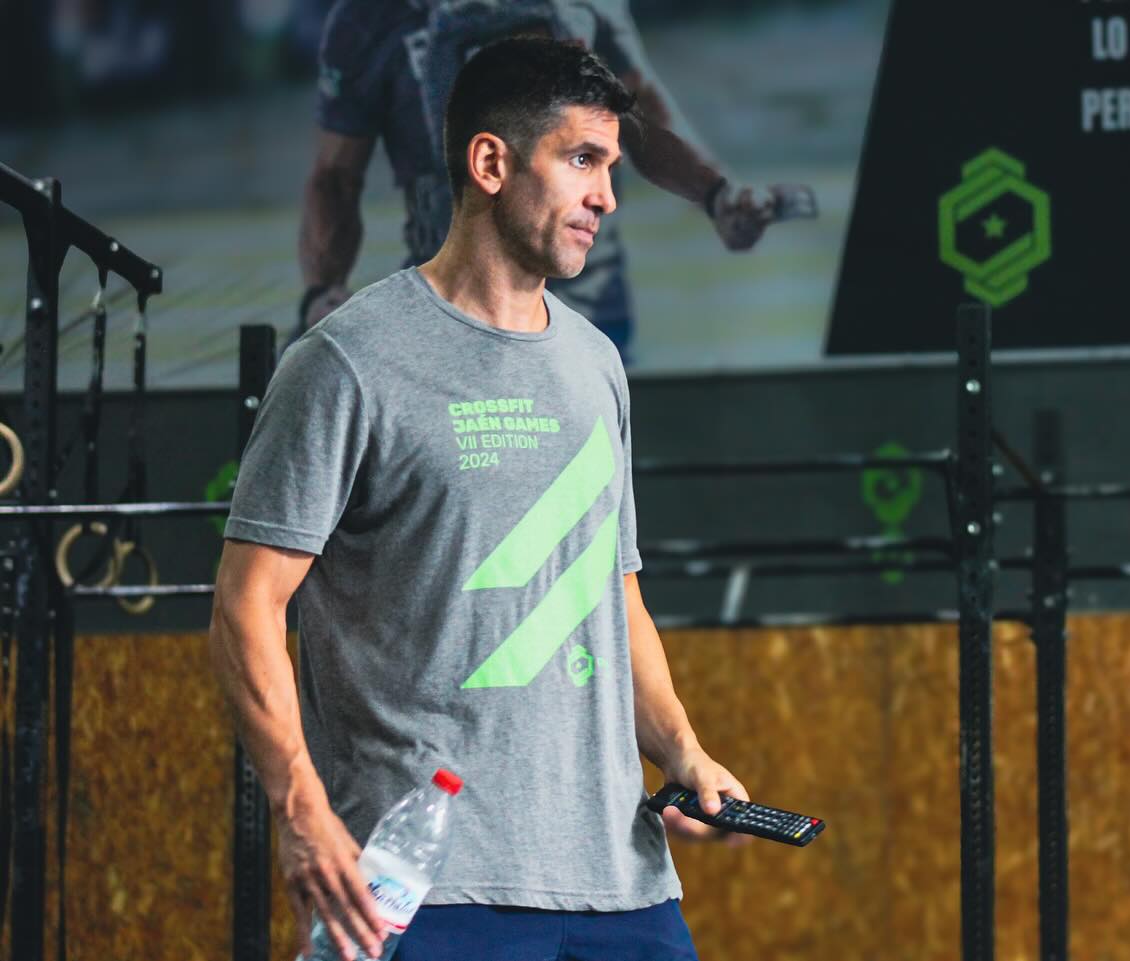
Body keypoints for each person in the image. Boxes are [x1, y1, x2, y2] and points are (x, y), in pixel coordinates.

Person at [211, 36, 746, 961]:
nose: (607, 197)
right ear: (490, 162)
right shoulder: (347, 363)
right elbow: (245, 603)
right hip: (430, 879)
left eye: (611, 167)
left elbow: (610, 593)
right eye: (582, 159)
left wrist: (683, 748)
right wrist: (301, 810)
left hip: (618, 874)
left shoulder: (595, 365)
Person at [298, 0, 800, 359]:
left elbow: (641, 108)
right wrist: (323, 291)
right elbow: (337, 176)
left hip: (586, 314)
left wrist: (717, 195)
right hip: (448, 311)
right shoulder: (370, 17)